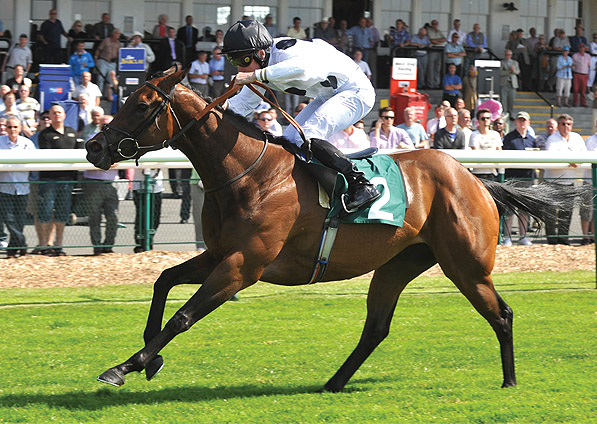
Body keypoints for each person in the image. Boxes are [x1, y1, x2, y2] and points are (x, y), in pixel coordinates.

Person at [221, 19, 381, 211]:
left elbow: (306, 70)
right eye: (233, 61)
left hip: (356, 91)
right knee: (289, 139)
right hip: (328, 94)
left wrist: (254, 76)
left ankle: (361, 184)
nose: (240, 69)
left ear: (261, 53)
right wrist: (218, 110)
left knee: (310, 134)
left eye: (243, 60)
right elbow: (243, 104)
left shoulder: (284, 51)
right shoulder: (260, 66)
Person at [37, 105, 82, 256]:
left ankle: (58, 245)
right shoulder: (44, 134)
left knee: (62, 213)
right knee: (46, 211)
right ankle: (44, 245)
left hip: (67, 179)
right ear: (50, 115)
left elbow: (78, 151)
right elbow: (49, 156)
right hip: (49, 179)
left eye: (59, 112)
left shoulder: (71, 132)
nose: (57, 115)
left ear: (64, 115)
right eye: (54, 112)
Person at [544, 114, 586, 245]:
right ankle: (551, 240)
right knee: (550, 212)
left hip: (569, 182)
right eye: (563, 124)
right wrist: (571, 161)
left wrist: (576, 162)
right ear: (558, 125)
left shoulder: (577, 138)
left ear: (571, 125)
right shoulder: (552, 139)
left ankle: (563, 239)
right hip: (552, 182)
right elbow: (552, 158)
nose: (566, 127)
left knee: (566, 213)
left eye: (568, 124)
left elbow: (584, 155)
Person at [81, 114, 120, 255]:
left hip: (111, 182)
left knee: (113, 216)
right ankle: (97, 246)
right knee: (94, 216)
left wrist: (105, 163)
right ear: (99, 125)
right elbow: (90, 159)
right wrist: (107, 163)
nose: (106, 127)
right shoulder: (91, 138)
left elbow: (119, 159)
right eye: (104, 124)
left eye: (109, 124)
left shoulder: (118, 139)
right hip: (93, 182)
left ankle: (108, 246)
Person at [0, 117, 35, 257]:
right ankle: (22, 242)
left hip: (23, 187)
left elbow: (34, 163)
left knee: (20, 220)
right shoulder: (0, 142)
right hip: (4, 188)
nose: (12, 130)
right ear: (5, 128)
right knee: (8, 219)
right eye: (9, 127)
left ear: (20, 128)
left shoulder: (27, 143)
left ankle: (12, 250)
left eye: (15, 127)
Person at [501, 111, 537, 246]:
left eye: (524, 121)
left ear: (528, 123)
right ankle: (507, 237)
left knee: (524, 210)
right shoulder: (509, 138)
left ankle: (523, 237)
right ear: (515, 122)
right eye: (520, 120)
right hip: (513, 178)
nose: (522, 123)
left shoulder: (532, 140)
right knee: (509, 211)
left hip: (528, 178)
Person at [133, 168, 164, 252]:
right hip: (139, 187)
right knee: (141, 217)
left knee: (155, 218)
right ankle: (140, 244)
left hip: (157, 188)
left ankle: (149, 243)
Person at [469, 108, 503, 180]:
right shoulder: (474, 135)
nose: (486, 120)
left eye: (488, 118)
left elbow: (499, 152)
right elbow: (475, 152)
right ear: (478, 121)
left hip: (492, 173)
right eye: (483, 118)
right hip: (477, 172)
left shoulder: (496, 134)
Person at [94, 28, 122, 95]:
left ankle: (108, 95)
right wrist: (96, 57)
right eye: (116, 33)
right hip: (103, 60)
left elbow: (119, 54)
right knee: (100, 79)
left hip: (112, 63)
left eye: (119, 34)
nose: (117, 35)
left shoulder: (119, 44)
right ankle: (99, 95)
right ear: (113, 33)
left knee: (110, 80)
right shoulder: (106, 40)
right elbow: (99, 49)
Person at [500, 49, 520, 120]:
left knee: (511, 99)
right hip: (504, 83)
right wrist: (509, 71)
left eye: (509, 55)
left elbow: (518, 71)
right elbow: (500, 72)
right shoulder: (502, 62)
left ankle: (511, 113)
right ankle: (504, 113)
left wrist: (513, 70)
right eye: (507, 55)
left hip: (512, 84)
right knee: (503, 99)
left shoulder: (515, 63)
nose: (508, 56)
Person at [426, 20, 446, 89]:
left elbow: (444, 39)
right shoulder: (429, 30)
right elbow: (432, 40)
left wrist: (436, 41)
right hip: (432, 51)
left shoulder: (439, 31)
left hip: (439, 51)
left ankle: (436, 84)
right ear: (431, 24)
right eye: (434, 24)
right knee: (431, 68)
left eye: (436, 24)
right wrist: (439, 41)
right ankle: (430, 85)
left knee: (437, 68)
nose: (435, 25)